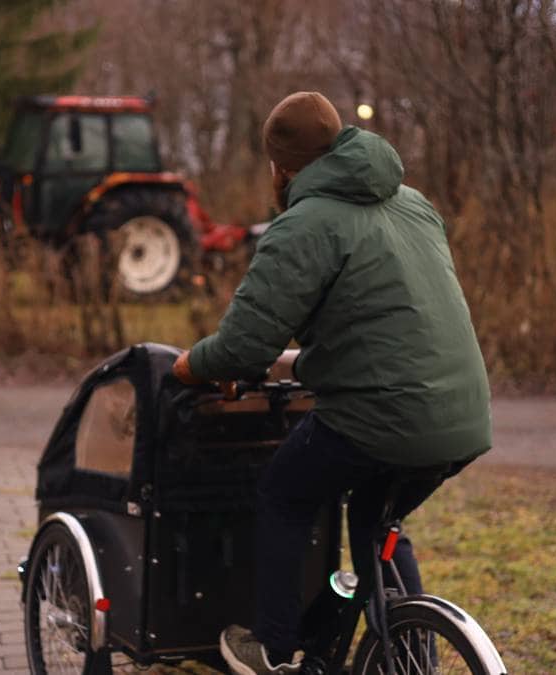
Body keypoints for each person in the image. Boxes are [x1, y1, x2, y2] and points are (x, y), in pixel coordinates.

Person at [172, 91, 492, 675]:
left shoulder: (304, 224)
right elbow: (380, 328)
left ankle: (273, 650)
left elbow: (244, 344)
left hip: (379, 416)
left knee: (283, 493)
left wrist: (192, 365)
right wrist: (296, 364)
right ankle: (409, 651)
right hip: (463, 415)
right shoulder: (413, 204)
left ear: (281, 167)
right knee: (377, 521)